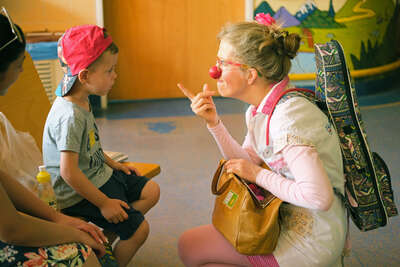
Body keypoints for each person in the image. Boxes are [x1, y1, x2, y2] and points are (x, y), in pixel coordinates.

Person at [177, 13, 347, 267]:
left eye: (223, 62)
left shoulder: (289, 119)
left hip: (312, 238)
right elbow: (246, 161)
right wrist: (214, 123)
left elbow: (319, 198)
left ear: (251, 74)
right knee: (189, 245)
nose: (214, 71)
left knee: (196, 252)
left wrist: (257, 175)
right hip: (282, 216)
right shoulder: (262, 110)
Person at [42, 24, 160, 267]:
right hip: (77, 194)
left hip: (98, 174)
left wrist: (113, 163)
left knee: (151, 191)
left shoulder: (81, 96)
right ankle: (107, 261)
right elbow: (68, 171)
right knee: (140, 231)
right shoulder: (70, 115)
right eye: (109, 71)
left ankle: (102, 241)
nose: (115, 75)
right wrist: (104, 204)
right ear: (84, 76)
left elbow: (90, 145)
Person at [0, 7, 106, 267]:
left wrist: (58, 219)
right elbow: (11, 229)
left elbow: (2, 179)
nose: (23, 71)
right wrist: (72, 231)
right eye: (18, 65)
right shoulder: (68, 113)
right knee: (85, 254)